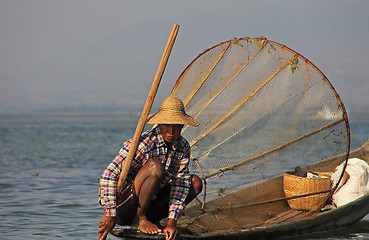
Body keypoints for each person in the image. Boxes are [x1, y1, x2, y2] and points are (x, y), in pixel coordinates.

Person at [98, 96, 203, 240]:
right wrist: (109, 214)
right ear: (159, 124)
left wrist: (172, 222)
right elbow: (108, 175)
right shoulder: (143, 143)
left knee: (195, 183)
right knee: (155, 167)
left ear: (182, 126)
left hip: (152, 205)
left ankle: (152, 220)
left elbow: (180, 186)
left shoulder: (183, 147)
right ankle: (139, 220)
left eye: (176, 125)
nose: (171, 131)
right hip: (125, 206)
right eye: (166, 124)